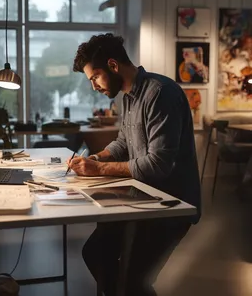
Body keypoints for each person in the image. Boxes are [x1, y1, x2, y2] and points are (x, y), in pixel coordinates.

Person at [68, 33, 201, 296]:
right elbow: (123, 143)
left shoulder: (160, 94)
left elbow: (158, 164)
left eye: (94, 77)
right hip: (143, 197)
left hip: (170, 204)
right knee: (95, 253)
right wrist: (96, 158)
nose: (93, 86)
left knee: (133, 282)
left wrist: (100, 170)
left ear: (113, 66)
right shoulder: (128, 96)